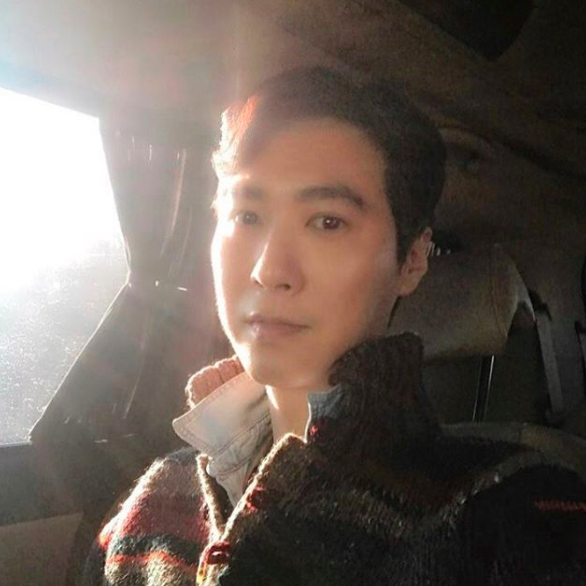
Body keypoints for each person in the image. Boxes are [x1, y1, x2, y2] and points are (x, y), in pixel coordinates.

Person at [82, 67, 586, 586]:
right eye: (247, 216)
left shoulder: (517, 513)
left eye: (327, 222)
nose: (269, 271)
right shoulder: (152, 503)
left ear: (412, 259)